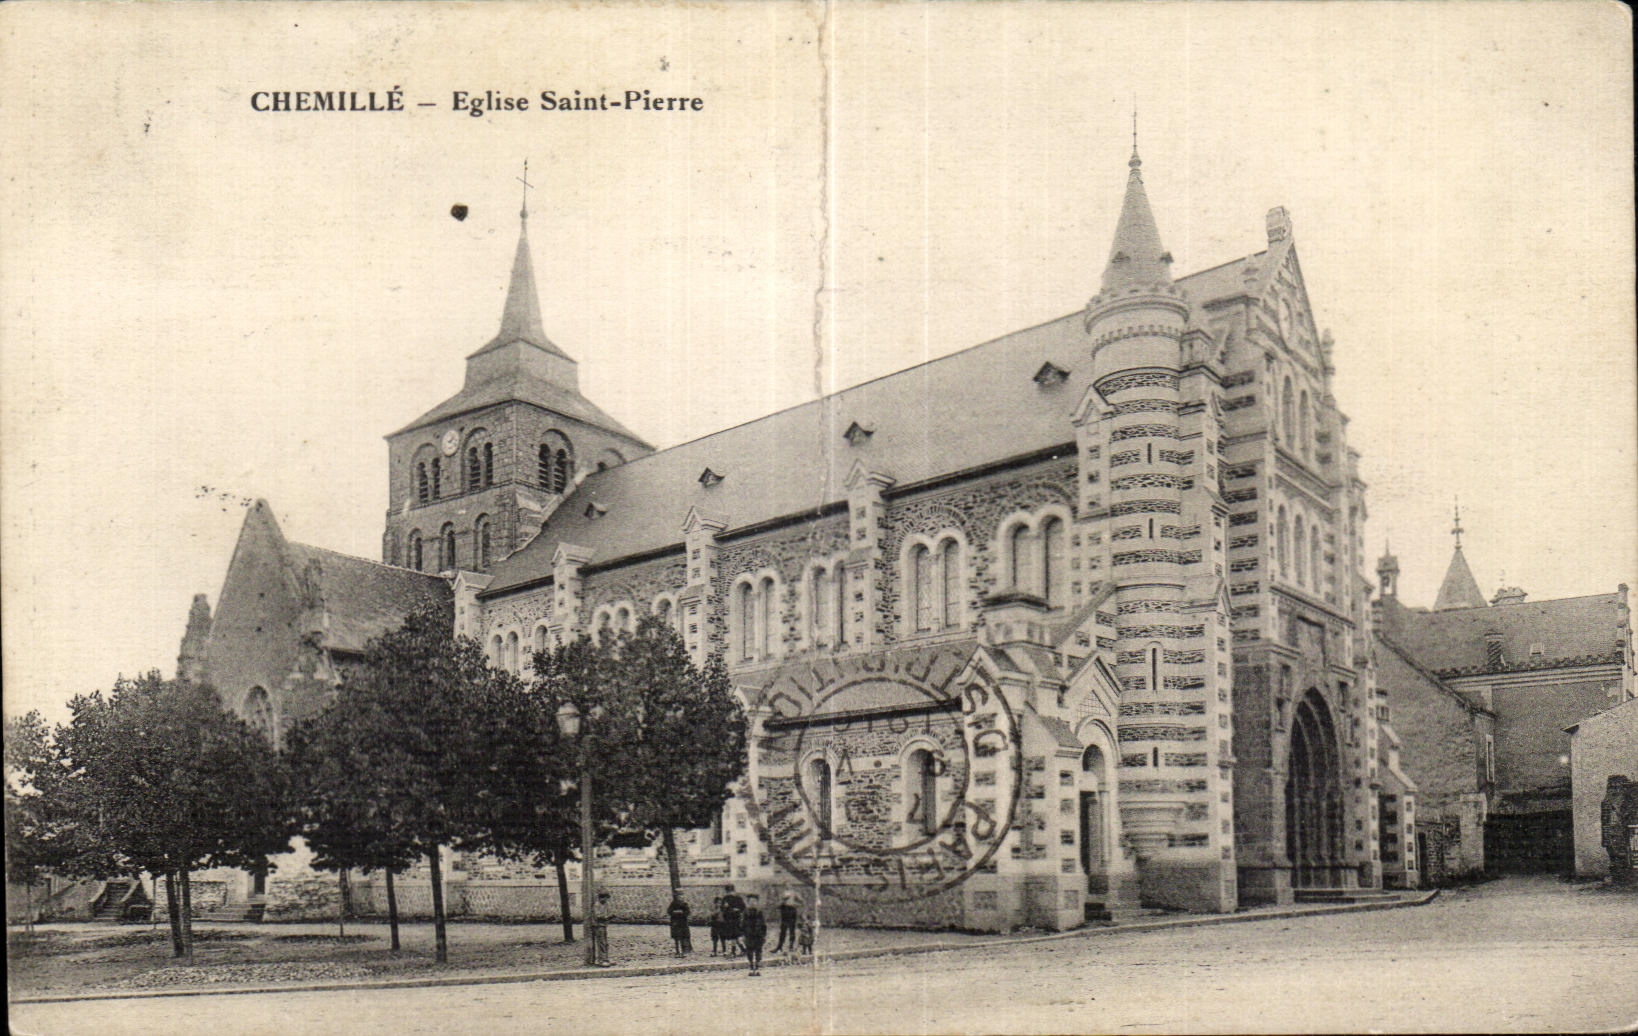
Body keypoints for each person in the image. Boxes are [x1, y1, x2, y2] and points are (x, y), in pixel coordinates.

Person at [741, 893, 767, 976]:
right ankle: (751, 967)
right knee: (750, 951)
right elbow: (742, 924)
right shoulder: (746, 912)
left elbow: (763, 924)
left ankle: (757, 967)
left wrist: (764, 935)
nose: (753, 903)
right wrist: (742, 934)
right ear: (748, 902)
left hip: (758, 934)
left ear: (757, 902)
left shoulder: (759, 912)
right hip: (749, 934)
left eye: (754, 901)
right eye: (751, 901)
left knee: (758, 951)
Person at [721, 884, 746, 955]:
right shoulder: (726, 898)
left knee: (734, 935)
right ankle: (741, 950)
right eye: (729, 891)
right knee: (734, 936)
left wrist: (737, 910)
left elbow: (743, 907)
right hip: (729, 919)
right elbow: (723, 909)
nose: (730, 893)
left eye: (731, 891)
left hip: (735, 919)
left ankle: (735, 951)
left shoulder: (737, 898)